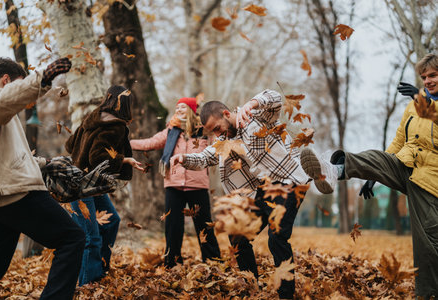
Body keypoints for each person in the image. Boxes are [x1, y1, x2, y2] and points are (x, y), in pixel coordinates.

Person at [299, 53, 438, 299]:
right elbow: (398, 139)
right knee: (375, 156)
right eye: (424, 77)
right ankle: (332, 172)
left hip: (429, 177)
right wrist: (375, 173)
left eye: (433, 75)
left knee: (427, 242)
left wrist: (424, 105)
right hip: (404, 163)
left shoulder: (422, 103)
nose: (427, 81)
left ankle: (427, 295)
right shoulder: (412, 105)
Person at [173, 90, 310, 299]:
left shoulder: (255, 116)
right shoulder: (222, 142)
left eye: (218, 128)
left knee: (276, 238)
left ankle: (286, 295)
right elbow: (203, 158)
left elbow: (274, 98)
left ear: (226, 114)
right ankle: (252, 287)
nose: (218, 134)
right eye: (213, 132)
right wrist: (183, 158)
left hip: (289, 182)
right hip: (264, 190)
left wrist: (253, 103)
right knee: (237, 236)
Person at [0, 57, 86, 299]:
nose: (26, 100)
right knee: (72, 238)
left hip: (0, 196)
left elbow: (8, 156)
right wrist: (42, 78)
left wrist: (46, 163)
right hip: (14, 192)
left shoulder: (1, 112)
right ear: (6, 80)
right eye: (19, 86)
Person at [65, 85, 143, 285]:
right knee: (91, 237)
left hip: (88, 183)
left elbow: (69, 145)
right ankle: (88, 285)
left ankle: (97, 271)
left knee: (112, 221)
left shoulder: (93, 117)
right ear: (125, 105)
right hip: (83, 186)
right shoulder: (116, 126)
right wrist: (124, 160)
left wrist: (79, 155)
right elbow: (97, 156)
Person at [130, 97, 221, 268]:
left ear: (193, 110)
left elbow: (218, 147)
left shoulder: (205, 131)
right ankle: (172, 263)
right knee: (173, 227)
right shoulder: (171, 131)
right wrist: (127, 144)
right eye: (177, 107)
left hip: (197, 185)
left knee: (204, 226)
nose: (178, 110)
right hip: (173, 185)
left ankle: (212, 262)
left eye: (183, 107)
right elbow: (150, 142)